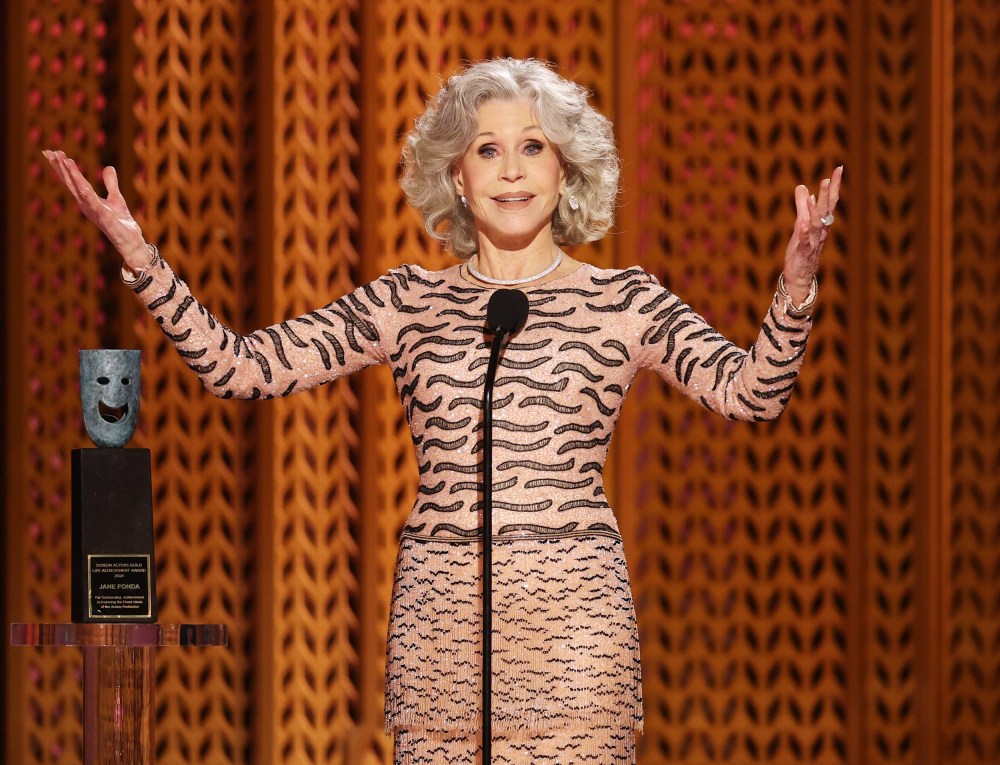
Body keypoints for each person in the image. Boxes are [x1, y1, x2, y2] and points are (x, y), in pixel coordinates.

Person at [45, 58, 841, 765]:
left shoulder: (621, 300)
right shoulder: (409, 301)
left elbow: (752, 392)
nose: (512, 170)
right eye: (488, 149)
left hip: (572, 644)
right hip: (442, 641)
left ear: (566, 171)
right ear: (457, 176)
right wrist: (139, 254)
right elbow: (240, 368)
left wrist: (796, 288)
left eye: (534, 147)